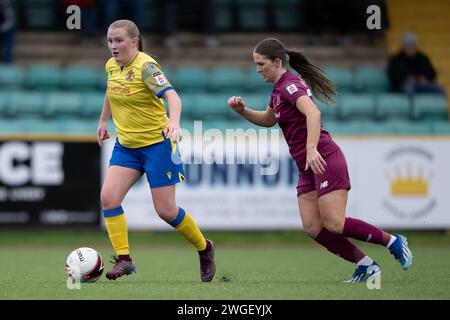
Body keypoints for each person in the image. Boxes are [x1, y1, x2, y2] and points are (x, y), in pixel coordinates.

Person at [227, 38, 413, 283]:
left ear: (276, 62)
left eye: (261, 64)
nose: (258, 69)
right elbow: (269, 119)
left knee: (334, 223)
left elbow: (313, 113)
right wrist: (243, 111)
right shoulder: (278, 90)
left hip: (324, 159)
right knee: (313, 226)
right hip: (308, 167)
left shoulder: (290, 86)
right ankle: (366, 266)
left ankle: (392, 241)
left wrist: (312, 148)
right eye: (255, 64)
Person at [97, 19, 215, 282]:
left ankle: (204, 248)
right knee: (109, 198)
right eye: (110, 41)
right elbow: (111, 90)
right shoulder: (111, 66)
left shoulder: (146, 67)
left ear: (134, 41)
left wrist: (173, 122)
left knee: (166, 211)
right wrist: (103, 120)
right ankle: (124, 259)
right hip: (127, 146)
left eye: (119, 41)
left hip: (157, 145)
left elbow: (173, 96)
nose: (113, 46)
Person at [388, 32, 445, 96]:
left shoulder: (423, 58)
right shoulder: (396, 59)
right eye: (409, 45)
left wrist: (425, 78)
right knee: (408, 89)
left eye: (413, 45)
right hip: (406, 85)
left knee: (440, 90)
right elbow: (393, 76)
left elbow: (433, 73)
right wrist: (407, 78)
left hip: (423, 85)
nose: (411, 48)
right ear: (403, 46)